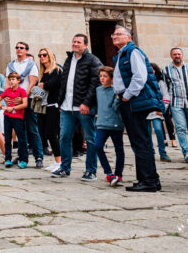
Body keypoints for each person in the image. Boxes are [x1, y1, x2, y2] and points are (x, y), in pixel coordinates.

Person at [111, 26, 164, 192]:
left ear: (128, 37)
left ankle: (147, 180)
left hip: (134, 101)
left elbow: (140, 77)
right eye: (113, 35)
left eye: (118, 34)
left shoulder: (133, 52)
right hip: (131, 101)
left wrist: (126, 96)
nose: (114, 37)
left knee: (140, 141)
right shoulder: (122, 54)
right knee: (141, 141)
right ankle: (150, 179)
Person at [53, 34, 101, 180]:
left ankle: (91, 171)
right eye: (73, 41)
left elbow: (95, 83)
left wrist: (87, 103)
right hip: (67, 107)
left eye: (78, 42)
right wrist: (61, 102)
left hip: (83, 107)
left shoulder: (93, 60)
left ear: (86, 45)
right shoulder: (69, 59)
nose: (75, 44)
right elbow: (64, 83)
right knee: (64, 137)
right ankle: (64, 168)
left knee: (90, 138)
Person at [5, 42, 44, 168]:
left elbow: (32, 83)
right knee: (19, 130)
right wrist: (7, 98)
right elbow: (7, 82)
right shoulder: (11, 65)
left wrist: (22, 98)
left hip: (28, 99)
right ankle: (22, 156)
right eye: (17, 47)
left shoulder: (31, 64)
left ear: (26, 50)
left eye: (21, 48)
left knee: (32, 129)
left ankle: (39, 156)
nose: (18, 49)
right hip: (13, 101)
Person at [162, 47, 188, 163]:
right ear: (171, 56)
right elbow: (165, 87)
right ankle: (186, 152)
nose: (177, 56)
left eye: (179, 54)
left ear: (182, 55)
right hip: (176, 103)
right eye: (174, 54)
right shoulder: (166, 70)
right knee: (181, 128)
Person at [94, 66, 125, 187]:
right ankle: (108, 173)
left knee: (119, 149)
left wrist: (118, 97)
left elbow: (116, 107)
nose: (102, 78)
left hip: (115, 123)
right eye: (101, 76)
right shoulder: (98, 90)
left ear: (111, 78)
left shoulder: (116, 90)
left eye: (105, 76)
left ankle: (119, 175)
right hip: (101, 123)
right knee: (97, 146)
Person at [0, 73, 28, 169]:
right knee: (7, 138)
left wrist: (13, 108)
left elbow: (25, 104)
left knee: (21, 139)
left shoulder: (22, 91)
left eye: (13, 79)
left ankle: (23, 159)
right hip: (7, 116)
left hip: (18, 117)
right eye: (10, 79)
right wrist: (2, 107)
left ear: (18, 80)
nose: (11, 81)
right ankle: (8, 159)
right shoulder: (7, 91)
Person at [37, 48, 62, 172]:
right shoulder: (44, 72)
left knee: (53, 134)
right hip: (45, 105)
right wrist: (43, 86)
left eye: (44, 55)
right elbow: (41, 87)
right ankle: (57, 160)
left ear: (50, 56)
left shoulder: (56, 70)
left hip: (54, 105)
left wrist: (43, 85)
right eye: (40, 55)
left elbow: (52, 85)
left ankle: (60, 162)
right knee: (48, 134)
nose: (42, 57)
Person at [149, 63, 171, 163]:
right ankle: (150, 153)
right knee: (147, 132)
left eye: (153, 69)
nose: (151, 71)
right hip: (145, 110)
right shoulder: (142, 81)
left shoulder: (160, 82)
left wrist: (162, 109)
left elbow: (166, 96)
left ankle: (162, 153)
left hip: (156, 110)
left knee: (158, 130)